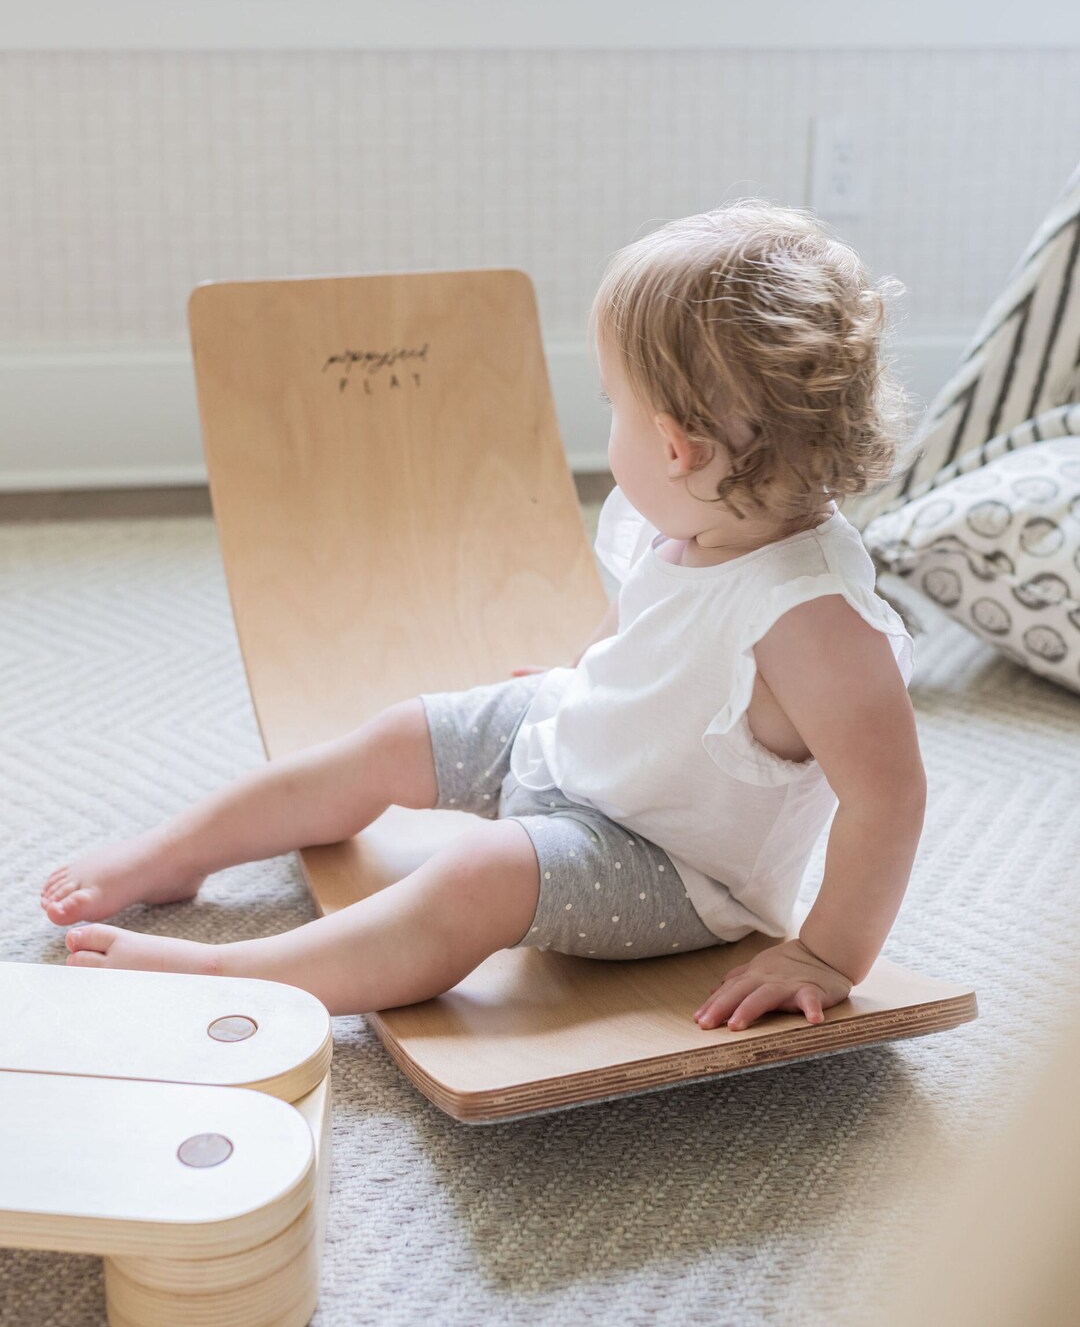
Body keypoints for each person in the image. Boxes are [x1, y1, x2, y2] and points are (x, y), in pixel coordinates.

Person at [41, 199, 926, 1034]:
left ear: (674, 446)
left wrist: (825, 953)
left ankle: (242, 976)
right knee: (397, 735)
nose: (607, 421)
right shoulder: (698, 512)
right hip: (578, 740)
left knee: (476, 875)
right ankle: (176, 852)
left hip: (662, 860)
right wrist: (582, 680)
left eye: (612, 405)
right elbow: (643, 625)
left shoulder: (814, 618)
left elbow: (888, 797)